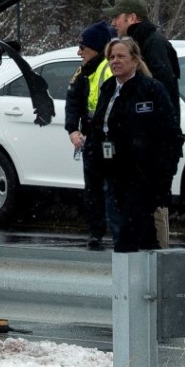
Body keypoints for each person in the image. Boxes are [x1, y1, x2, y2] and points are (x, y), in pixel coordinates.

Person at [88, 36, 183, 252]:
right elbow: (98, 129)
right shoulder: (108, 89)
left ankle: (125, 279)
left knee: (127, 238)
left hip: (144, 175)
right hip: (116, 174)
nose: (115, 61)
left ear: (135, 60)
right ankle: (151, 275)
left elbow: (169, 134)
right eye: (111, 57)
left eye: (121, 56)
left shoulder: (150, 89)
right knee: (145, 235)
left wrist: (164, 176)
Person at [67, 21, 117, 249]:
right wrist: (73, 129)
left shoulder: (109, 68)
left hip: (109, 140)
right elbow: (73, 99)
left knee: (110, 187)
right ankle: (97, 232)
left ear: (96, 48)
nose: (79, 52)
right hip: (93, 140)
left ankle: (113, 232)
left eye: (83, 47)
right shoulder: (85, 70)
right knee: (95, 188)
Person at [109, 0, 183, 97]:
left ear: (132, 18)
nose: (113, 23)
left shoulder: (154, 44)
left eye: (117, 17)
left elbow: (162, 92)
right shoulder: (138, 42)